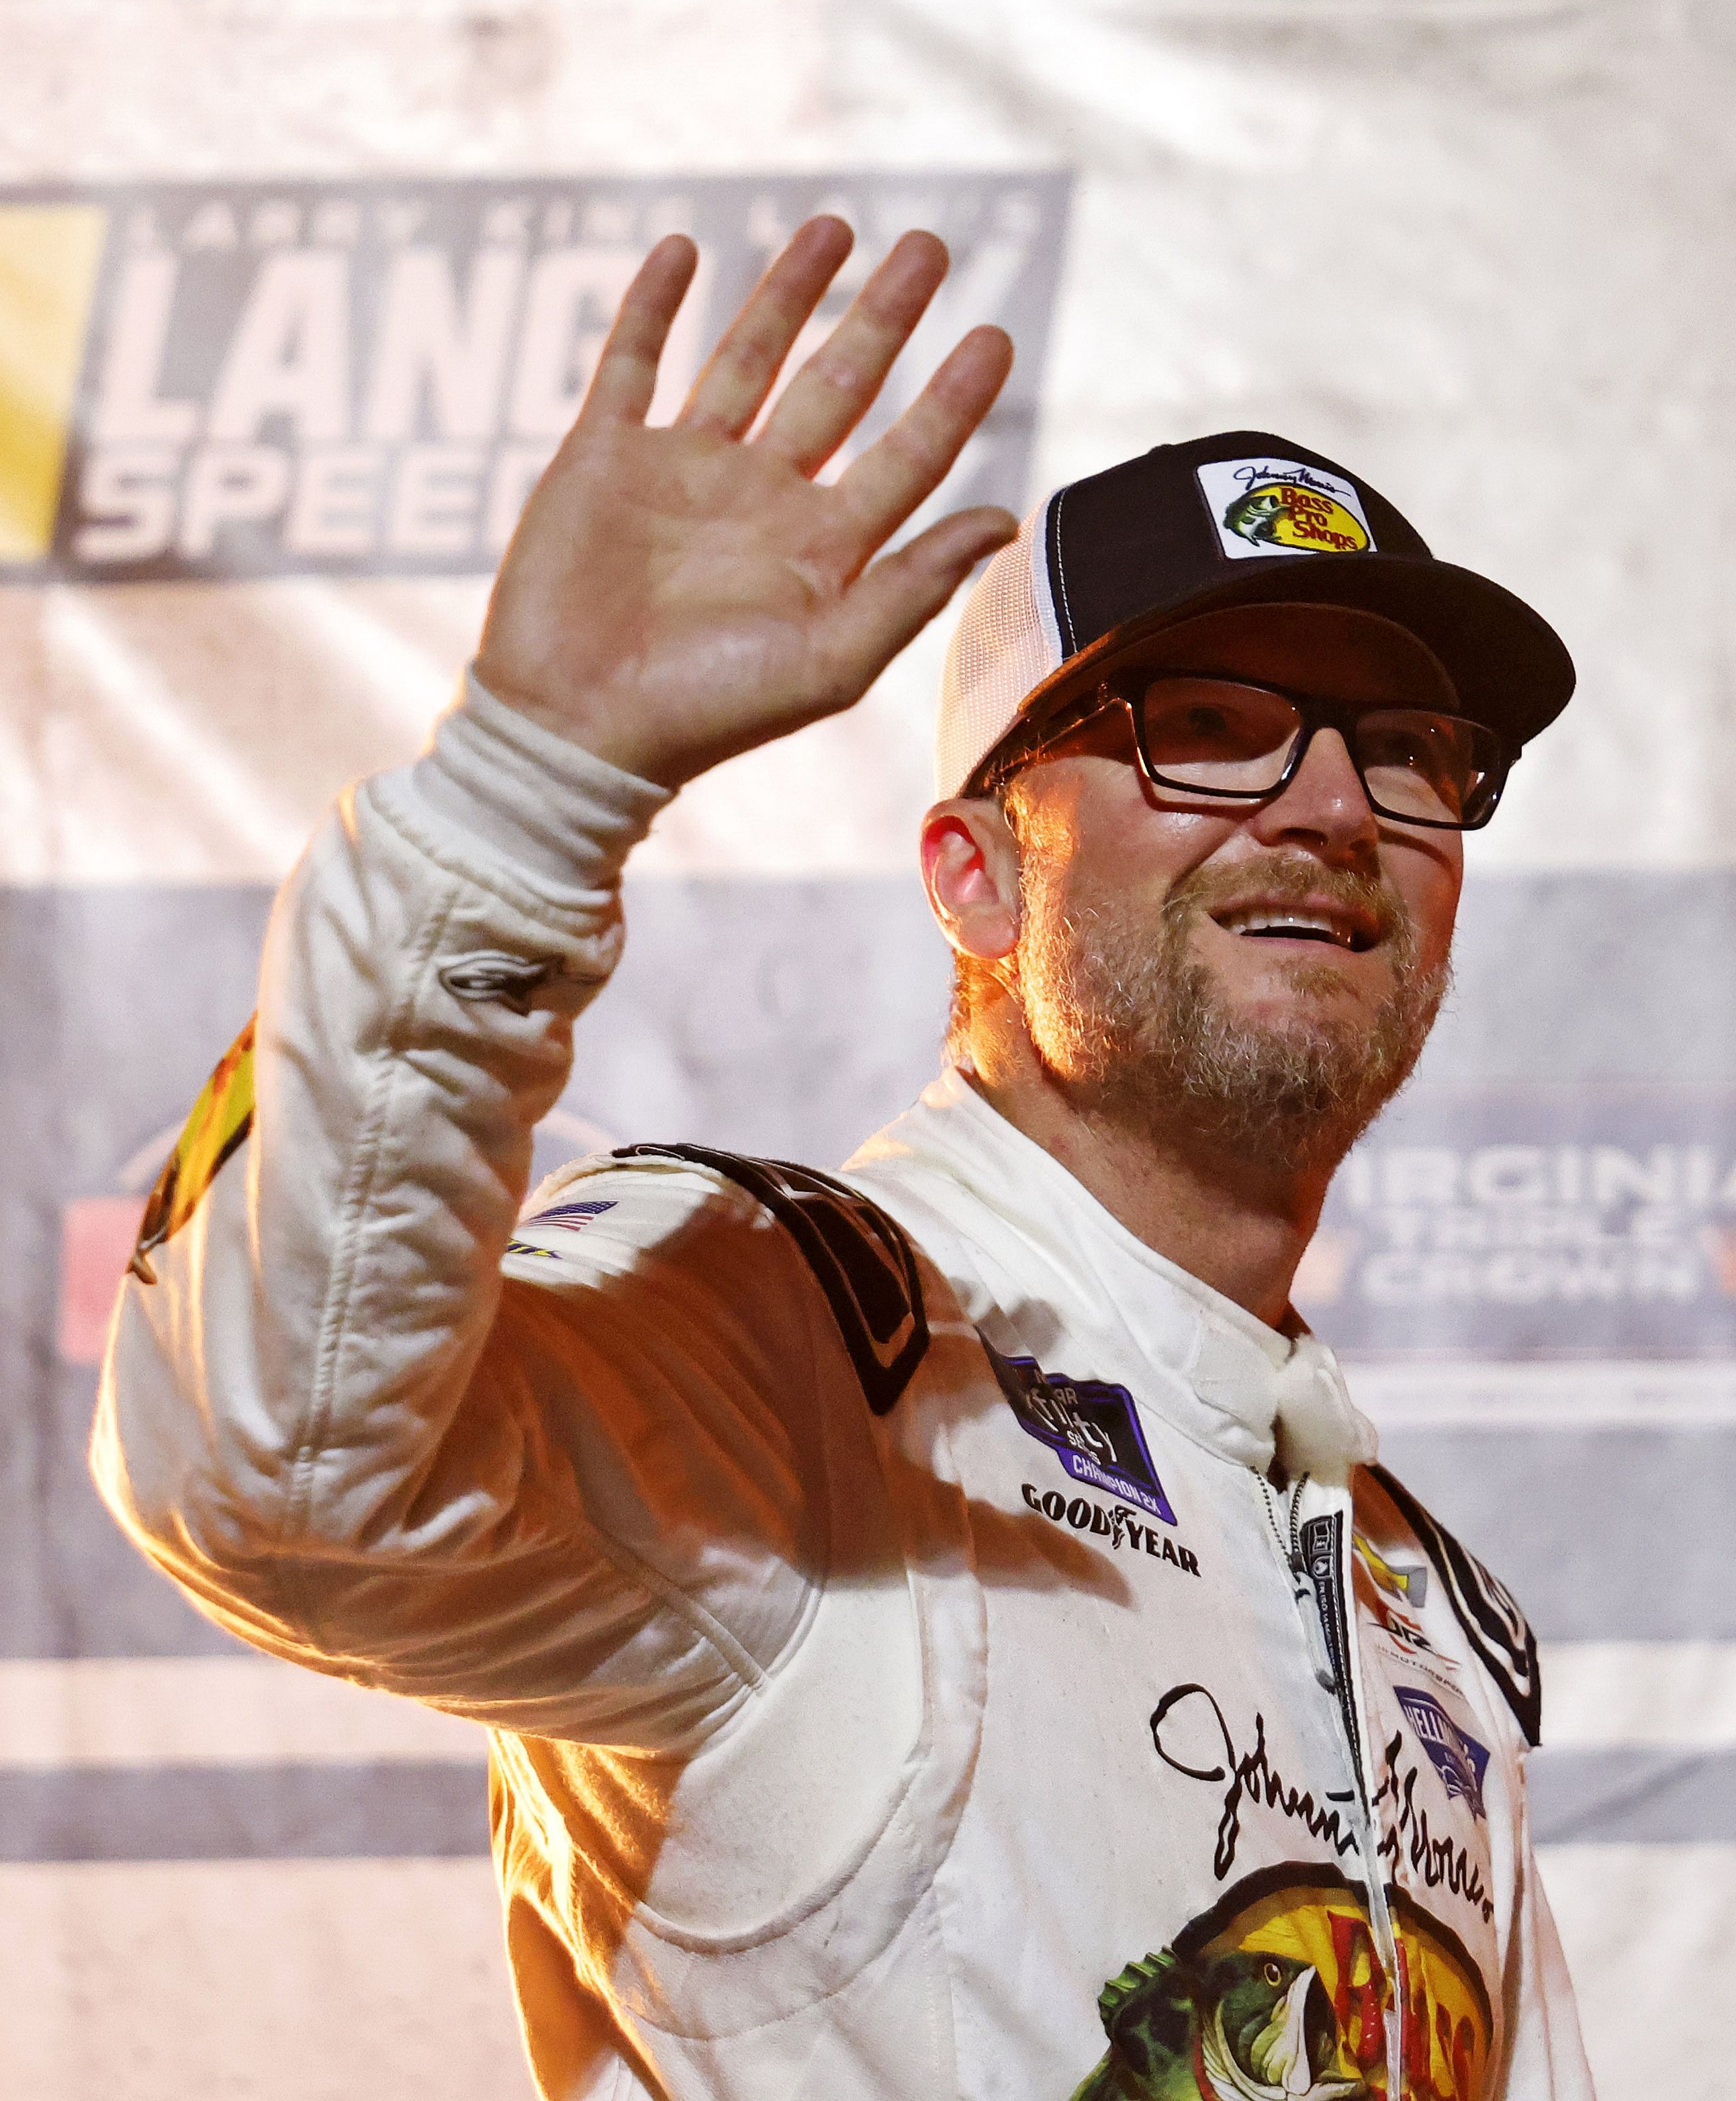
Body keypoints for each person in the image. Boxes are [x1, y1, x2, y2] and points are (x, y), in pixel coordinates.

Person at [89, 216, 1593, 2100]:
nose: (1324, 804)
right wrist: (527, 779)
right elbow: (278, 1470)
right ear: (973, 875)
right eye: (1206, 726)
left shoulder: (1428, 1609)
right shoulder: (792, 1348)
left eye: (1407, 749)